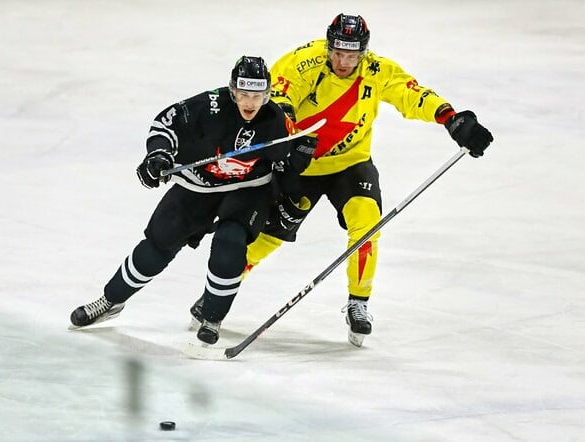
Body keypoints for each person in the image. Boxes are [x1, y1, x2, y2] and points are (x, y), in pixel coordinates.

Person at [190, 14, 493, 347]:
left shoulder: (377, 71)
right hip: (302, 166)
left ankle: (358, 303)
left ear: (363, 52)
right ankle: (215, 297)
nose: (344, 61)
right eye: (338, 53)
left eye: (352, 55)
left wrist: (451, 119)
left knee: (366, 223)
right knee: (266, 238)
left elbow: (412, 95)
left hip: (352, 164)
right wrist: (290, 134)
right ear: (328, 45)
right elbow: (278, 98)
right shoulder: (304, 61)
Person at [69, 56, 317, 345]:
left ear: (267, 94)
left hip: (247, 191)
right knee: (156, 247)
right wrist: (157, 156)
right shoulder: (209, 106)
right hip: (198, 185)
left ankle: (211, 317)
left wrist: (297, 164)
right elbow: (165, 124)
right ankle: (110, 301)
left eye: (258, 96)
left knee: (230, 244)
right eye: (245, 94)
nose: (250, 103)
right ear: (233, 90)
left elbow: (284, 168)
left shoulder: (276, 122)